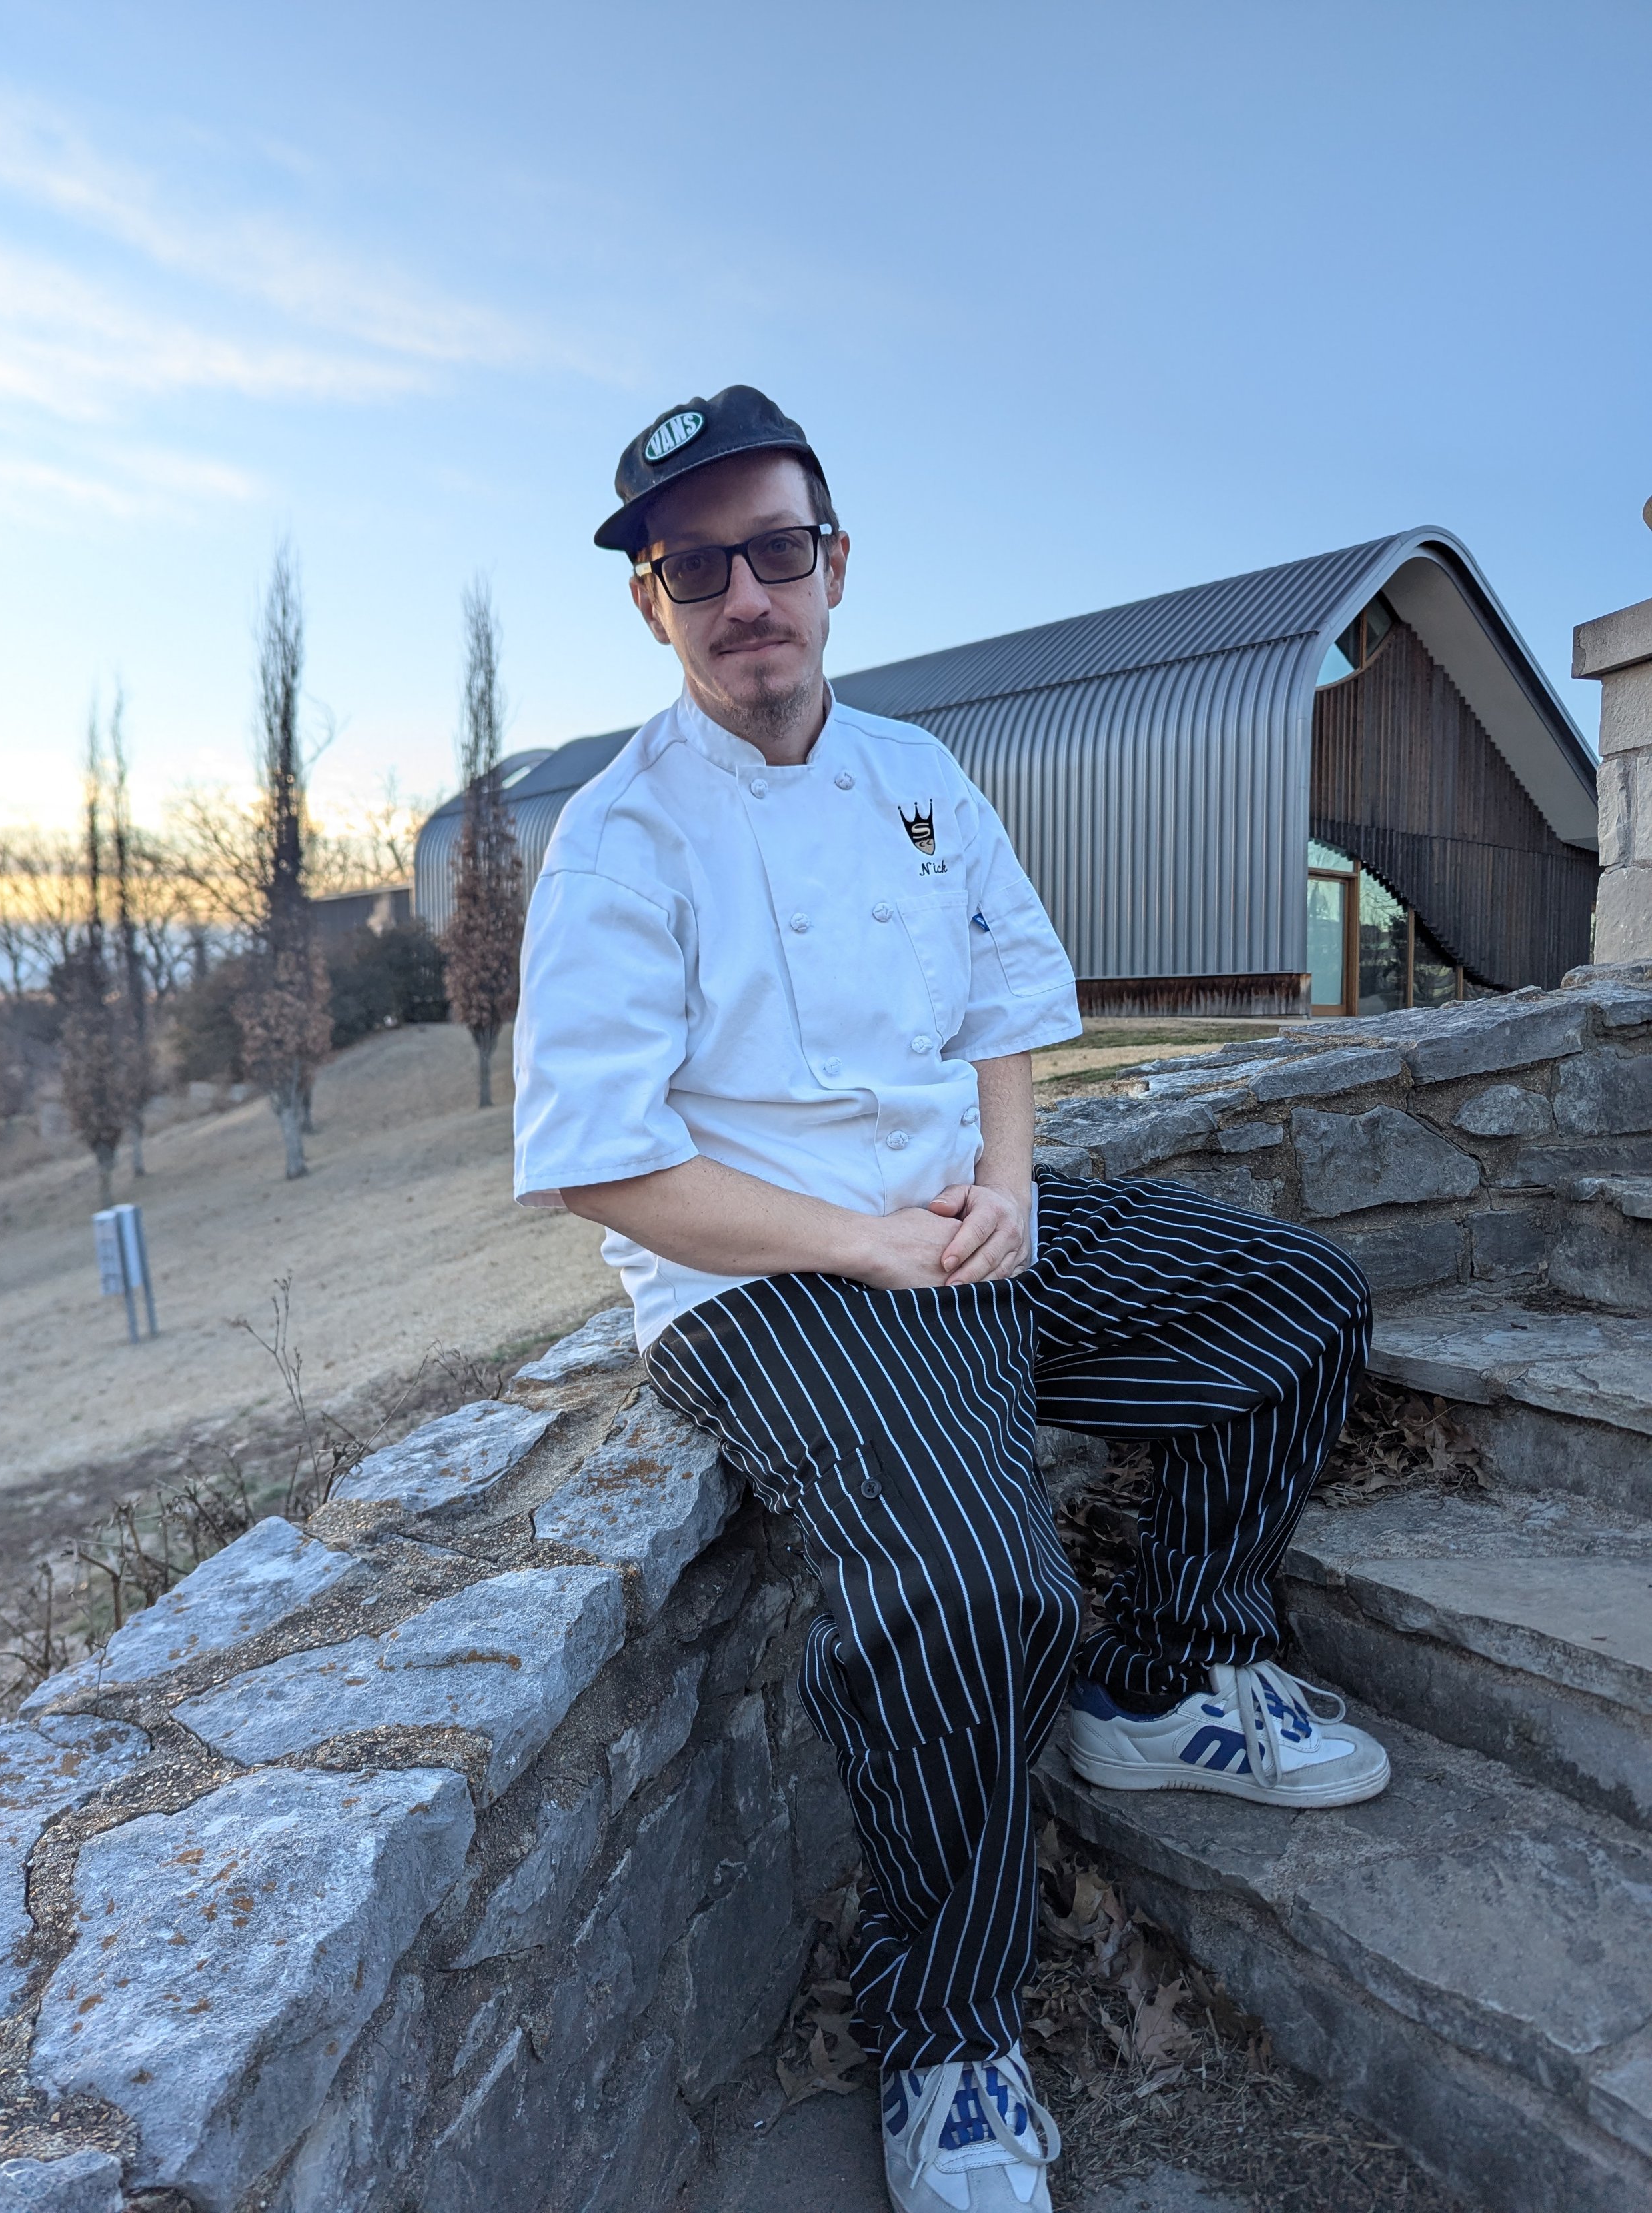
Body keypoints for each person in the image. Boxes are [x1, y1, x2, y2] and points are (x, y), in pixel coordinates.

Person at [512, 386, 1387, 2213]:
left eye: (775, 551)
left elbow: (1005, 1003)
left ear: (834, 564)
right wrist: (862, 1246)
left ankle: (1161, 1684)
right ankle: (947, 2032)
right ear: (651, 603)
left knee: (1296, 1305)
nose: (745, 597)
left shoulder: (917, 772)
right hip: (770, 1279)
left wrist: (1006, 1183)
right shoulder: (619, 840)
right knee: (975, 1591)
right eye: (696, 569)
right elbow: (598, 1160)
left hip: (961, 1227)